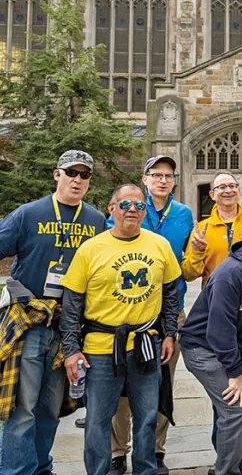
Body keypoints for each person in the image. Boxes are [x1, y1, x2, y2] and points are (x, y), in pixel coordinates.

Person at [60, 183, 180, 475]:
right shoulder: (91, 249)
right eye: (125, 204)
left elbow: (172, 293)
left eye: (140, 206)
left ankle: (145, 469)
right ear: (111, 209)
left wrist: (169, 334)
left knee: (148, 416)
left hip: (146, 345)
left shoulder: (159, 245)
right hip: (101, 348)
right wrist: (71, 349)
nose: (133, 211)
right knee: (98, 421)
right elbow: (71, 305)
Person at [0, 149, 106, 475]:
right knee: (23, 409)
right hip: (30, 322)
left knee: (49, 409)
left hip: (68, 326)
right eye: (71, 173)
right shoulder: (28, 214)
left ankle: (41, 467)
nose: (77, 179)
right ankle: (16, 471)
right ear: (57, 174)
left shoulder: (96, 220)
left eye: (84, 175)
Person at [102, 156, 194, 475]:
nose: (163, 180)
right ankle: (117, 452)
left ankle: (155, 450)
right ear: (145, 178)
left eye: (169, 175)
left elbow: (189, 265)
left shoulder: (183, 215)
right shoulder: (126, 210)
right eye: (157, 175)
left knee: (161, 386)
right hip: (127, 311)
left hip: (169, 313)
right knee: (123, 387)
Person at [181, 170, 242, 475]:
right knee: (233, 403)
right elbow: (189, 273)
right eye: (220, 186)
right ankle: (227, 466)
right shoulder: (204, 229)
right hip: (213, 329)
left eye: (232, 186)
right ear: (211, 194)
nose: (227, 191)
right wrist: (195, 252)